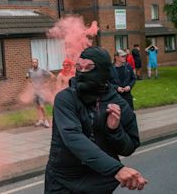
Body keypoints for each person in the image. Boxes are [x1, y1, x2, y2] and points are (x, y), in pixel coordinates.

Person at [45, 47, 147, 193]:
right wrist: (116, 169)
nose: (83, 72)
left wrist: (114, 130)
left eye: (89, 68)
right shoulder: (66, 99)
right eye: (79, 67)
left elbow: (129, 147)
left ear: (103, 70)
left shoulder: (119, 103)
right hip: (64, 180)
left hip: (98, 182)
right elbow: (72, 136)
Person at [26, 58, 55, 128]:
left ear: (37, 63)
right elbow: (27, 78)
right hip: (34, 91)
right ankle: (40, 120)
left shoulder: (42, 70)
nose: (34, 64)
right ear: (31, 63)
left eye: (35, 62)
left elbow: (52, 76)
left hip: (41, 91)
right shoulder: (30, 71)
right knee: (37, 107)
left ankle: (46, 121)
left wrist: (46, 84)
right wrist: (30, 83)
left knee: (42, 106)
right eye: (33, 62)